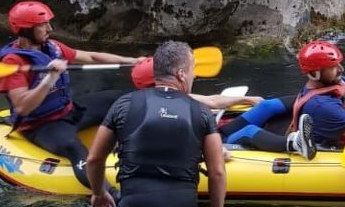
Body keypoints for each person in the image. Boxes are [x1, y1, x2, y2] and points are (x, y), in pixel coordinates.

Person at [72, 39, 227, 207]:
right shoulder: (201, 113)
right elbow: (217, 171)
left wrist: (99, 193)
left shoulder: (124, 104)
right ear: (180, 74)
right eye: (193, 69)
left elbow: (94, 158)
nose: (195, 75)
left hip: (137, 206)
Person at [0, 0, 140, 187]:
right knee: (74, 148)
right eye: (43, 25)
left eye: (48, 23)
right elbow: (23, 107)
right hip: (41, 125)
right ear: (26, 30)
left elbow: (91, 56)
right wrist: (49, 79)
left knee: (126, 98)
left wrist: (133, 60)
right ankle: (111, 198)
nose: (50, 28)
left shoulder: (52, 47)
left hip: (69, 110)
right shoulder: (13, 62)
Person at [130, 59, 317, 159]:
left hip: (216, 132)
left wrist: (246, 99)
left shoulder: (177, 95)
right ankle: (295, 144)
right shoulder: (158, 113)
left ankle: (313, 98)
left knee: (265, 106)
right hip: (216, 142)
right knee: (249, 132)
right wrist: (216, 149)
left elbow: (212, 101)